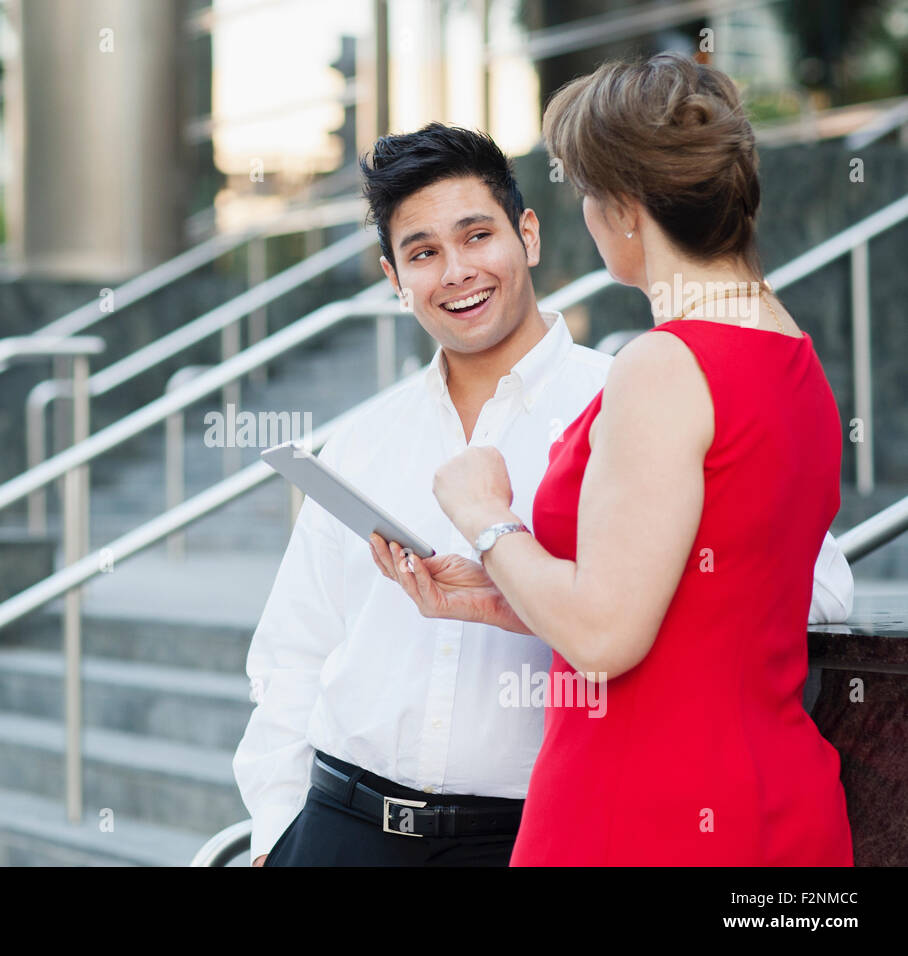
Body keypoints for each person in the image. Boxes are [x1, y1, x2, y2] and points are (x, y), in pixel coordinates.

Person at [234, 121, 852, 867]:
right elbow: (293, 653)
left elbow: (811, 583)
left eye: (476, 235)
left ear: (528, 234)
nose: (456, 270)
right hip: (343, 827)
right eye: (423, 253)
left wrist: (585, 589)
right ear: (394, 279)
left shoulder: (635, 398)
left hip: (531, 831)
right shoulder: (363, 440)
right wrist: (275, 834)